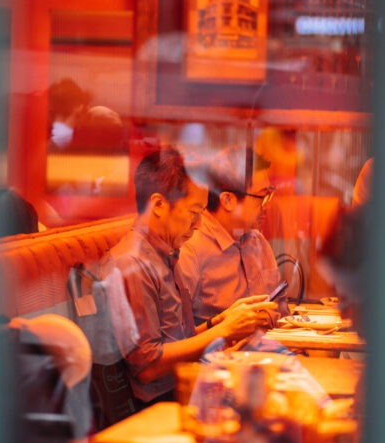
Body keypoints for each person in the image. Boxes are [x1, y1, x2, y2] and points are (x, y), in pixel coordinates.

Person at [104, 145, 273, 404]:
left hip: (186, 386)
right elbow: (148, 368)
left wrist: (219, 322)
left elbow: (174, 338)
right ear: (159, 204)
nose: (198, 225)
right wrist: (224, 331)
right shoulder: (132, 263)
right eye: (194, 213)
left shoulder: (165, 253)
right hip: (159, 402)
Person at [178, 146, 288, 326]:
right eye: (262, 196)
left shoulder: (256, 241)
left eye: (270, 194)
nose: (267, 205)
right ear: (228, 200)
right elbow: (179, 336)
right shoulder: (191, 249)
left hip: (266, 349)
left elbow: (280, 308)